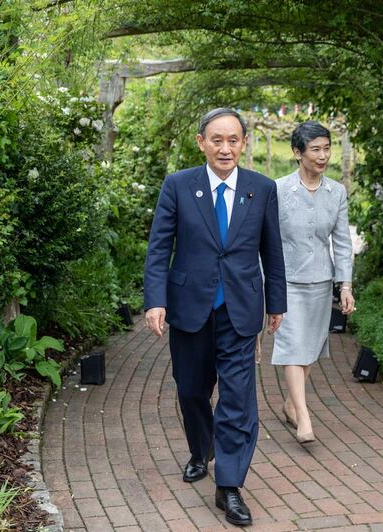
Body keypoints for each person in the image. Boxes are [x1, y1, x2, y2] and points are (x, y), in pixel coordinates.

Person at [143, 108, 287, 527]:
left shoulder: (261, 189)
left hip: (241, 309)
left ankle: (229, 486)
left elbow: (272, 250)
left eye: (233, 140)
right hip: (190, 307)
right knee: (191, 390)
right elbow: (159, 248)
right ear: (201, 142)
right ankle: (199, 449)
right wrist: (155, 301)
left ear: (244, 143)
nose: (226, 148)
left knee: (238, 399)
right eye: (217, 140)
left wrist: (275, 301)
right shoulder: (178, 185)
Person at [273, 120, 355, 444]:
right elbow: (267, 239)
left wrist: (344, 285)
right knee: (293, 346)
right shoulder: (278, 190)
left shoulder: (337, 192)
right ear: (298, 152)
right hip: (287, 280)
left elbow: (343, 243)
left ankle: (290, 403)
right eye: (315, 149)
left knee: (309, 351)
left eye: (327, 148)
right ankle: (303, 416)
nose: (323, 156)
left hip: (321, 280)